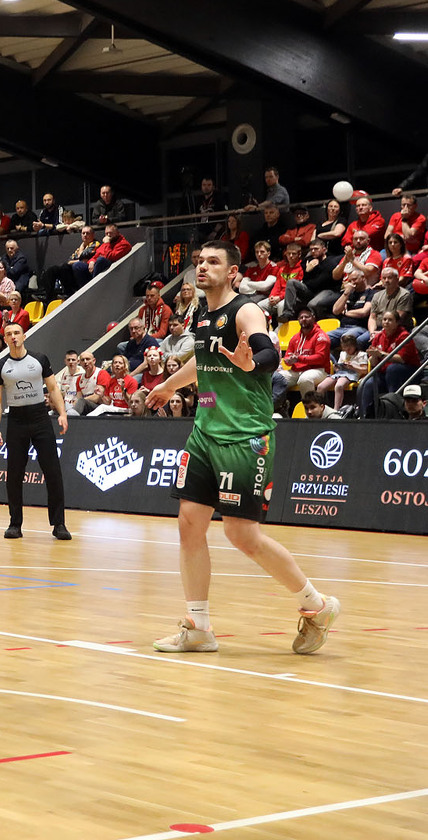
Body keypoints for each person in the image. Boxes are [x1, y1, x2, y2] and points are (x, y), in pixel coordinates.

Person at [144, 240, 339, 656]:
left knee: (241, 533)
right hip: (205, 432)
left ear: (233, 271)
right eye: (199, 261)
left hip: (245, 437)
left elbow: (267, 352)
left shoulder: (245, 310)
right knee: (189, 524)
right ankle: (198, 626)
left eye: (213, 262)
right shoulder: (202, 314)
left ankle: (316, 605)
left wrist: (253, 363)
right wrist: (169, 385)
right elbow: (202, 362)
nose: (202, 267)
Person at [0, 323, 71, 540]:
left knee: (52, 471)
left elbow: (53, 388)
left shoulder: (39, 359)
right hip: (16, 420)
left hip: (40, 418)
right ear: (5, 339)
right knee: (14, 473)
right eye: (9, 334)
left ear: (24, 336)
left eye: (17, 333)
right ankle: (15, 524)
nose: (13, 337)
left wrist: (62, 413)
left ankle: (59, 524)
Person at [271, 308, 331, 413]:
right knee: (277, 378)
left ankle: (311, 412)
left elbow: (320, 358)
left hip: (319, 370)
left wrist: (299, 358)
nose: (303, 319)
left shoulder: (321, 336)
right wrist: (288, 360)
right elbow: (287, 356)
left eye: (306, 317)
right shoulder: (295, 338)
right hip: (296, 371)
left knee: (305, 379)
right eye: (301, 317)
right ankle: (277, 408)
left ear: (313, 318)